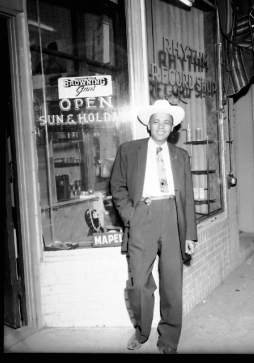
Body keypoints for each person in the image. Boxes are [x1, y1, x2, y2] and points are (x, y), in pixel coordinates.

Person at [110, 99, 197, 354]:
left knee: (172, 283)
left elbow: (188, 197)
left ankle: (169, 338)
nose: (161, 126)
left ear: (173, 128)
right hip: (143, 215)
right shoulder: (128, 150)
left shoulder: (181, 156)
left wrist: (189, 234)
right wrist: (131, 216)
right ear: (148, 125)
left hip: (172, 215)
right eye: (156, 121)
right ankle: (142, 331)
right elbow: (117, 186)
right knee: (138, 283)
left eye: (166, 122)